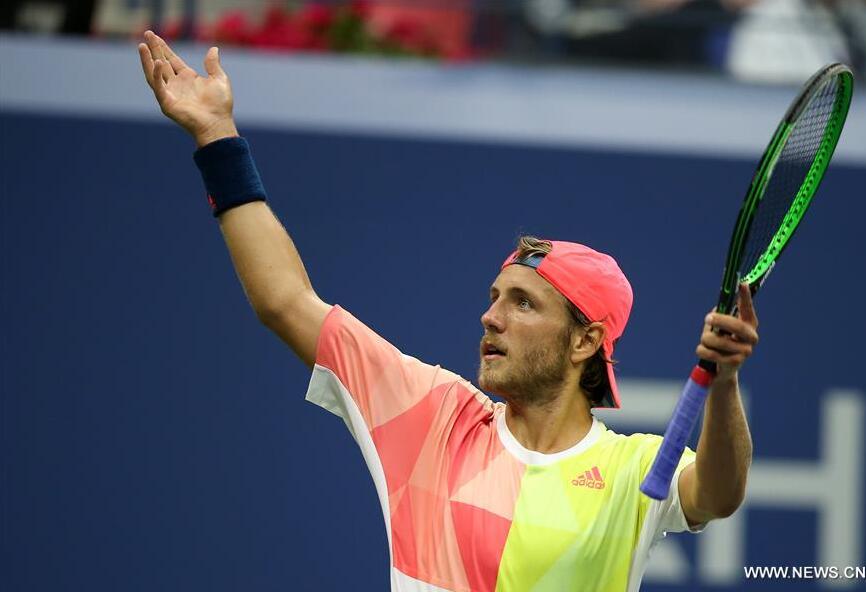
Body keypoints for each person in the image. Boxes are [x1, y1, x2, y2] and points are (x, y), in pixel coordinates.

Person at [137, 30, 757, 592]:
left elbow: (718, 493)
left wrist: (725, 383)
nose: (491, 318)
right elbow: (284, 301)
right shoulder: (430, 416)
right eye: (493, 300)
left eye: (523, 303)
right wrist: (217, 136)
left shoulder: (633, 472)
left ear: (584, 341)